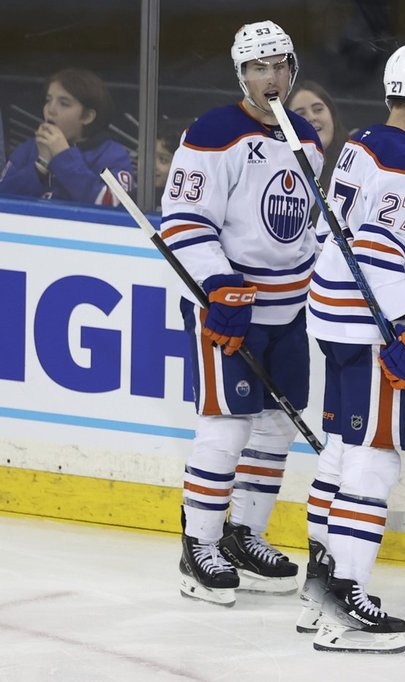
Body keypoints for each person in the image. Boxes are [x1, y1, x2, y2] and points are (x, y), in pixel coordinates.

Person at [299, 44, 405, 655]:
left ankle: (318, 590)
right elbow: (377, 251)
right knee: (375, 461)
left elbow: (340, 227)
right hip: (374, 327)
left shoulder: (362, 142)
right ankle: (346, 604)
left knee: (342, 452)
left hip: (333, 315)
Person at [161, 21, 322, 607]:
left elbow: (305, 227)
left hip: (290, 309)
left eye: (280, 65)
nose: (271, 78)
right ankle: (198, 545)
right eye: (259, 68)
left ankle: (243, 534)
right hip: (229, 307)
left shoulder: (305, 136)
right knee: (227, 424)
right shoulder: (213, 133)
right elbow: (182, 221)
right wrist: (219, 285)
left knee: (276, 425)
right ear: (241, 74)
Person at [0, 68, 133, 205]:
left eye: (64, 104)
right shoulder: (29, 148)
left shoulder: (112, 154)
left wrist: (63, 155)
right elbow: (3, 197)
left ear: (87, 116)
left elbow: (113, 204)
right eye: (48, 100)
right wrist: (40, 167)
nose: (50, 110)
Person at [286, 80, 348, 190]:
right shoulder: (281, 172)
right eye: (301, 114)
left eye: (318, 109)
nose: (311, 117)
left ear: (332, 114)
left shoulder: (358, 161)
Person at [154, 118, 186, 203]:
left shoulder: (187, 206)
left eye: (163, 160)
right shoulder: (132, 200)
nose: (153, 165)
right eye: (149, 158)